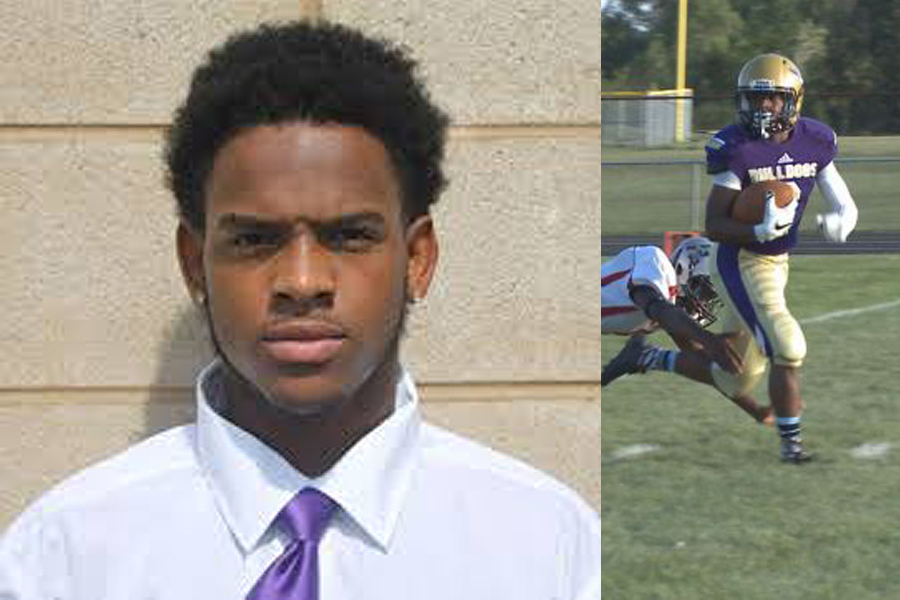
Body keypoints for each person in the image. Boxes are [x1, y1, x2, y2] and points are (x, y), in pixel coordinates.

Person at [0, 21, 601, 598]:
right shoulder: (62, 558)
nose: (302, 281)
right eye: (254, 240)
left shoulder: (551, 550)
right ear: (193, 263)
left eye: (349, 235)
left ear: (417, 258)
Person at [703, 53, 859, 463]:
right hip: (742, 260)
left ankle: (651, 357)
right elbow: (714, 224)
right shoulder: (736, 148)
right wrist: (756, 231)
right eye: (754, 100)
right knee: (788, 345)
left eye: (771, 99)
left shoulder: (816, 139)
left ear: (792, 100)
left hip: (778, 261)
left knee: (736, 377)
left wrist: (844, 218)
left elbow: (842, 199)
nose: (761, 108)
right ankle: (792, 447)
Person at [601, 236, 773, 424]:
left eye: (712, 299)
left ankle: (639, 356)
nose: (706, 303)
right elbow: (657, 308)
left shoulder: (671, 311)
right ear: (684, 268)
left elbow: (702, 363)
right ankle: (638, 356)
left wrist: (756, 410)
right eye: (705, 292)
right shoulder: (654, 261)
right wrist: (709, 339)